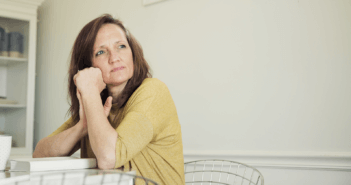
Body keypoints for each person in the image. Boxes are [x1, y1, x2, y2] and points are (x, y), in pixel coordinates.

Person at [33, 14, 185, 185]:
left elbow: (108, 157)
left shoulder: (153, 91)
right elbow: (40, 153)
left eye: (121, 46)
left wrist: (89, 88)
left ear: (133, 53)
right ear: (88, 66)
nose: (114, 58)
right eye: (101, 52)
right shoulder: (96, 106)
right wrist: (82, 127)